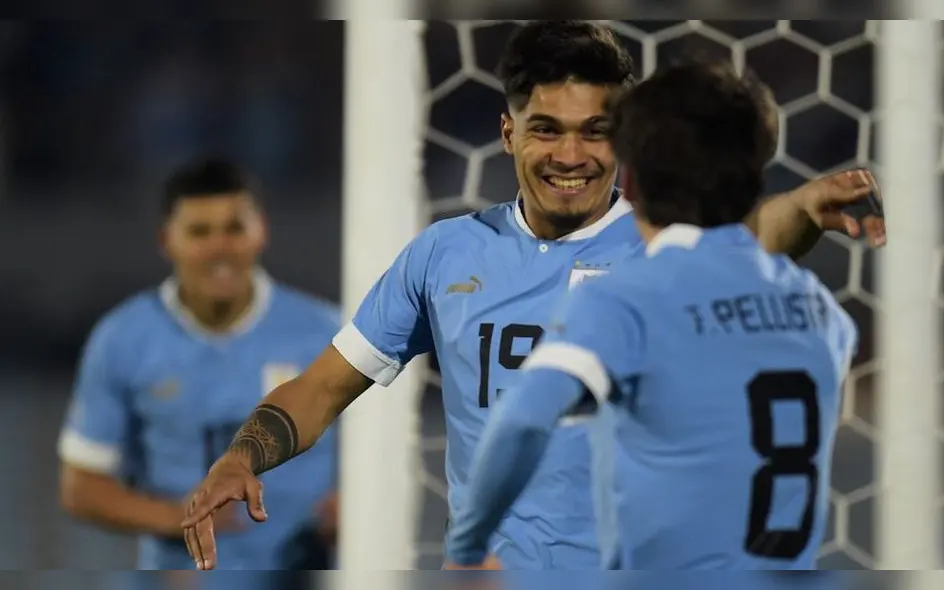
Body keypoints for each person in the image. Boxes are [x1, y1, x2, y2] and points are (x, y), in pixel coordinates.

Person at [182, 21, 883, 571]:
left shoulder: (663, 241)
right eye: (547, 129)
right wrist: (242, 457)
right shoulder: (446, 253)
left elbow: (756, 235)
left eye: (595, 132)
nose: (571, 157)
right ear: (509, 131)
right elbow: (324, 387)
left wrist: (806, 203)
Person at [444, 57, 857, 572]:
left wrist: (467, 550)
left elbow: (523, 419)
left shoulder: (628, 299)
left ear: (631, 183)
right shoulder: (822, 310)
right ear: (754, 179)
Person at [57, 159, 341, 583]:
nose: (219, 247)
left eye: (233, 229)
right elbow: (80, 487)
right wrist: (174, 518)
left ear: (260, 230)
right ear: (166, 240)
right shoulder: (123, 339)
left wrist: (354, 508)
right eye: (199, 232)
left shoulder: (325, 333)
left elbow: (386, 451)